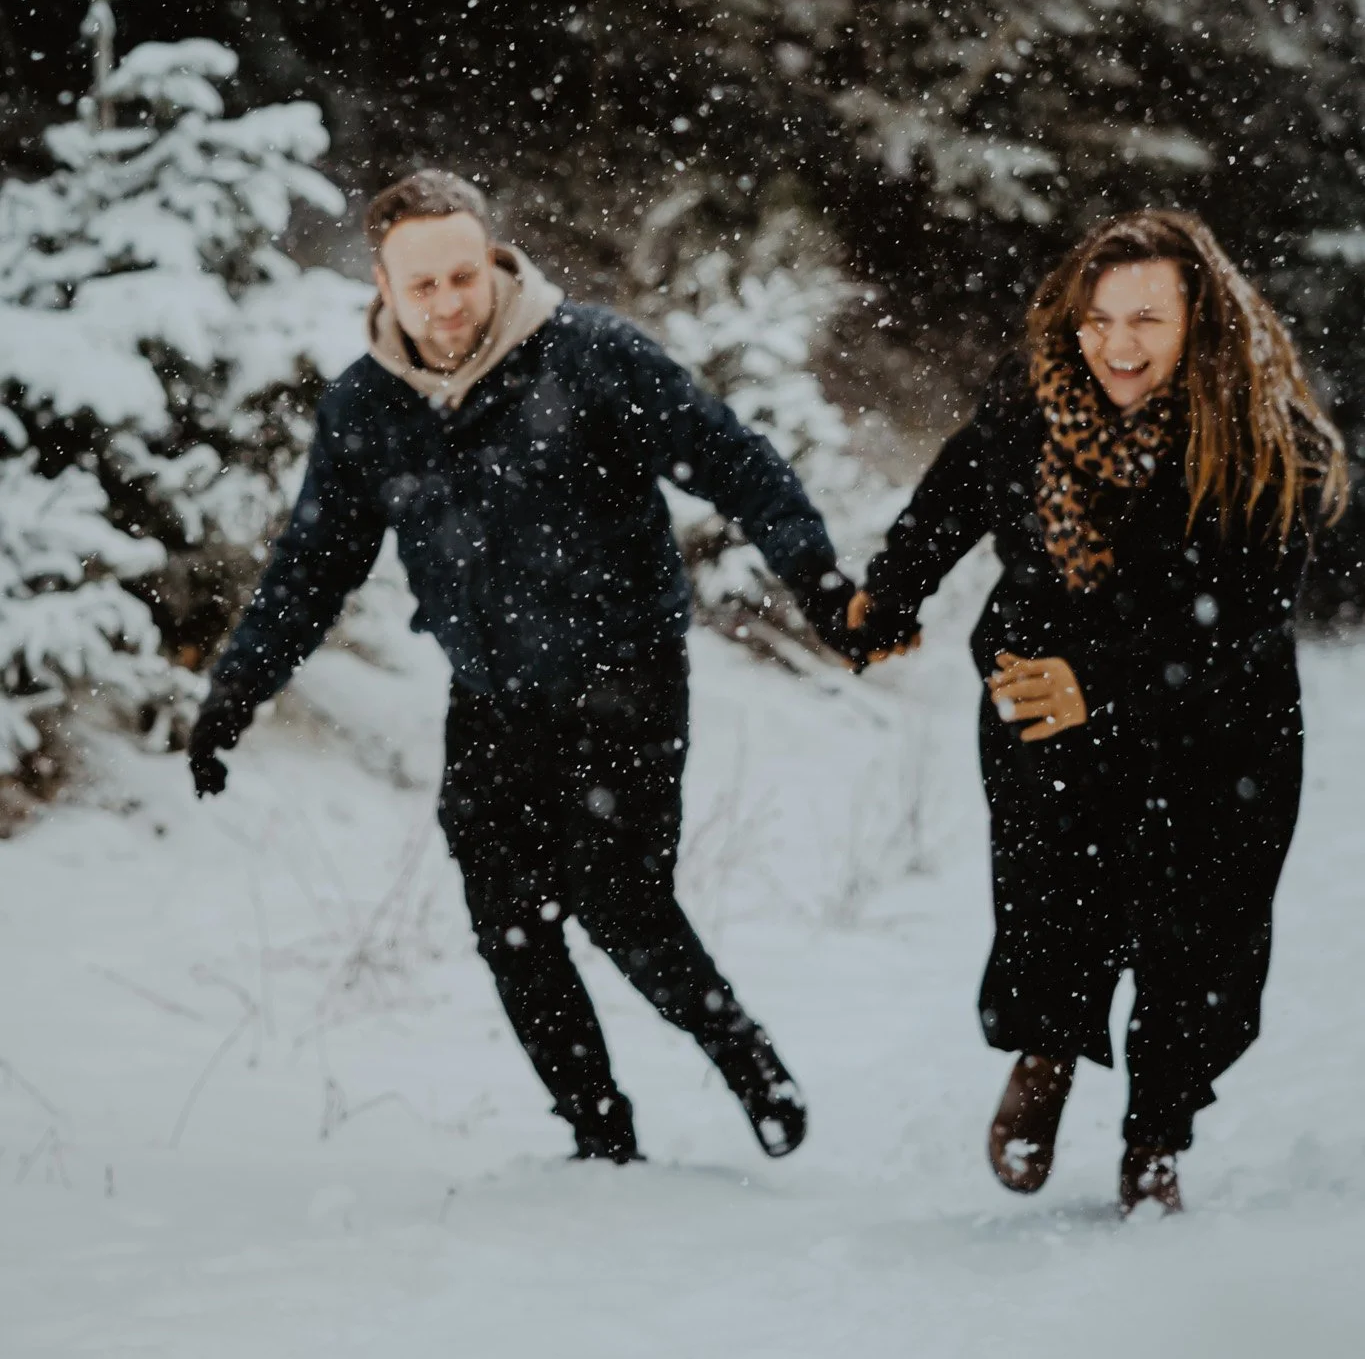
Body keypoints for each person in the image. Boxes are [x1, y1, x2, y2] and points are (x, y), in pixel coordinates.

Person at [187, 169, 854, 1164]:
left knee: (618, 899)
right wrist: (235, 690)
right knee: (507, 918)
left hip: (627, 674)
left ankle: (741, 1052)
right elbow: (311, 567)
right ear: (384, 283)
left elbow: (734, 458)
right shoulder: (368, 408)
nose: (450, 302)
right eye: (424, 286)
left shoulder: (590, 357)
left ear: (493, 255)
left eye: (465, 274)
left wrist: (820, 579)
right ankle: (598, 1132)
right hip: (494, 691)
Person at [849, 210, 1346, 1214]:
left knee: (1198, 939)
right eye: (1098, 318)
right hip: (1049, 713)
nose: (1117, 345)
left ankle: (1156, 1135)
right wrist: (889, 594)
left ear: (1199, 319)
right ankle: (1047, 1053)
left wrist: (1104, 677)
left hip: (1215, 730)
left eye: (1148, 319)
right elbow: (956, 490)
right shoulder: (1037, 405)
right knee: (1050, 904)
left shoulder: (1264, 437)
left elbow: (1247, 615)